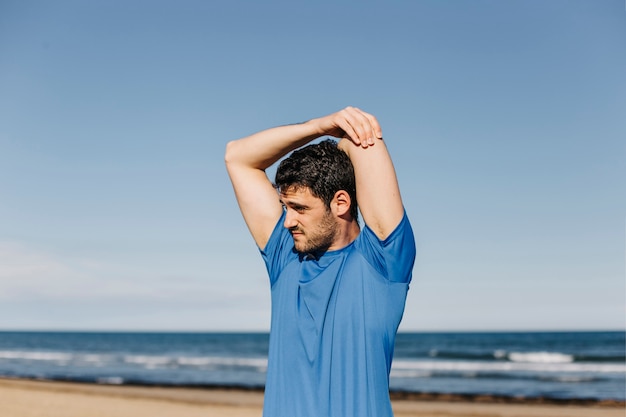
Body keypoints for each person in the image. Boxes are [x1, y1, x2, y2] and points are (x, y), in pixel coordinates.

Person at [225, 106, 416, 417]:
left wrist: (340, 140)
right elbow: (237, 157)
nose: (287, 221)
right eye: (285, 207)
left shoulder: (382, 262)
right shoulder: (284, 256)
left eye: (300, 208)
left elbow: (361, 143)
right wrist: (318, 126)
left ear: (340, 203)